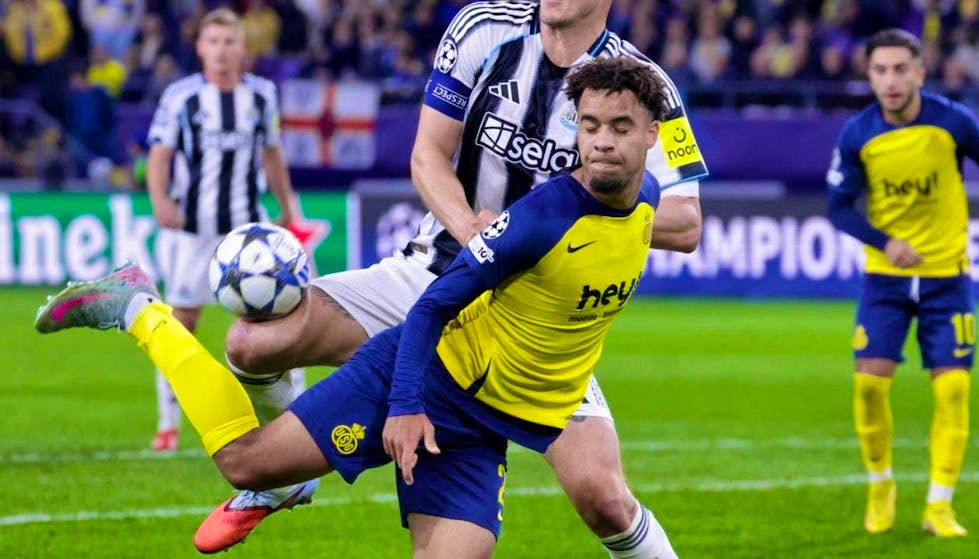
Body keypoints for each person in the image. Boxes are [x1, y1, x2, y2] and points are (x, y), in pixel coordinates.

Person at [35, 56, 678, 559]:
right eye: (589, 126)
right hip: (427, 378)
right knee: (244, 464)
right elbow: (430, 309)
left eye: (619, 128)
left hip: (486, 425)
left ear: (652, 135)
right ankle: (139, 310)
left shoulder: (645, 197)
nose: (600, 143)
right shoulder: (541, 218)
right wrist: (404, 406)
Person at [201, 0, 706, 555]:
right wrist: (473, 231)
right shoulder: (481, 28)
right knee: (252, 343)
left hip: (531, 318)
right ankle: (289, 480)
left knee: (603, 498)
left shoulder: (640, 83)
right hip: (433, 269)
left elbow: (686, 223)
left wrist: (558, 220)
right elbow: (427, 155)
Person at [827, 28, 979, 538]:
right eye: (881, 70)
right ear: (870, 75)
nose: (891, 80)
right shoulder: (858, 134)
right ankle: (881, 486)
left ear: (920, 71)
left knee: (954, 390)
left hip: (947, 278)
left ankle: (939, 506)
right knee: (870, 386)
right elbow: (838, 207)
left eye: (902, 69)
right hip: (887, 282)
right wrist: (884, 241)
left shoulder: (953, 122)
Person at [145, 8, 300, 452]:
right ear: (200, 48)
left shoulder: (262, 96)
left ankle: (292, 412)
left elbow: (272, 154)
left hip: (246, 230)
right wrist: (159, 200)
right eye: (212, 42)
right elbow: (159, 153)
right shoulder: (181, 97)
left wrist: (288, 206)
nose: (221, 50)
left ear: (242, 48)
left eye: (229, 42)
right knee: (181, 322)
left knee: (273, 318)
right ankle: (168, 423)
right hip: (192, 228)